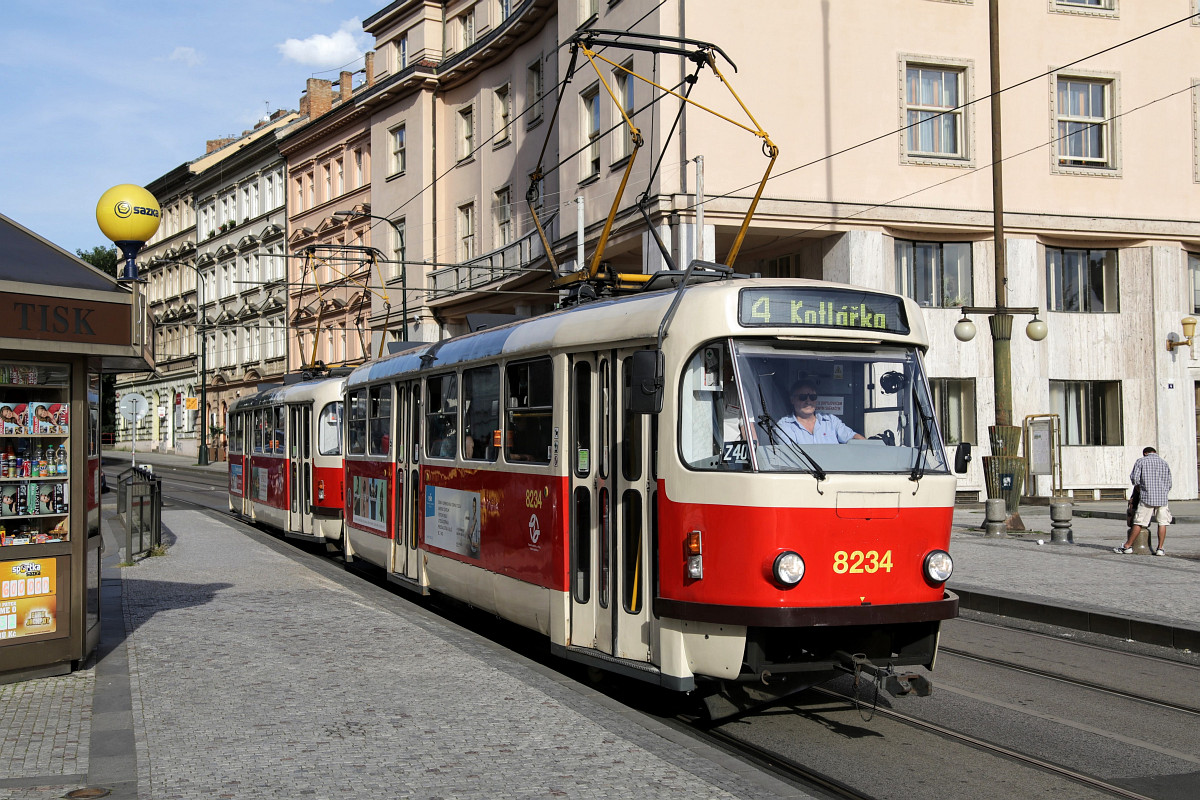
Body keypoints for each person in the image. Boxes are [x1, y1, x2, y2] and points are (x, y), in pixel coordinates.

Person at [1115, 446, 1172, 556]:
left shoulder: (1141, 461)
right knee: (1162, 523)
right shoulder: (1164, 463)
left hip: (1147, 497)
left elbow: (1135, 479)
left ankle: (1127, 546)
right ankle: (1160, 549)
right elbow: (1169, 483)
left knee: (1139, 522)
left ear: (1145, 453)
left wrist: (1140, 490)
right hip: (1162, 498)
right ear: (1155, 452)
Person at [776, 380, 864, 445]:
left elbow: (855, 438)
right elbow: (789, 454)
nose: (808, 401)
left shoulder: (831, 421)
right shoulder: (784, 425)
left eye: (812, 397)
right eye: (803, 397)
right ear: (792, 400)